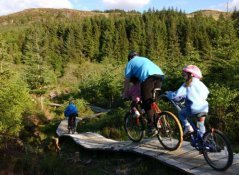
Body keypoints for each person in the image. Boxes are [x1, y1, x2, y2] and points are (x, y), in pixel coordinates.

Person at [123, 51, 165, 136]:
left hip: (148, 78)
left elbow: (127, 81)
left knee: (146, 102)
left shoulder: (130, 63)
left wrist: (125, 93)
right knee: (152, 102)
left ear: (130, 58)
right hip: (160, 76)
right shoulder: (144, 59)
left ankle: (151, 126)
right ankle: (159, 123)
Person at [167, 65, 209, 137]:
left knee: (181, 114)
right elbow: (207, 93)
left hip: (193, 108)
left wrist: (169, 94)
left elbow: (176, 96)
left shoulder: (186, 84)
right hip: (204, 108)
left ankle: (188, 127)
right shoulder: (201, 84)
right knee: (200, 125)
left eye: (184, 74)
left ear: (191, 74)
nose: (183, 76)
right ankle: (205, 141)